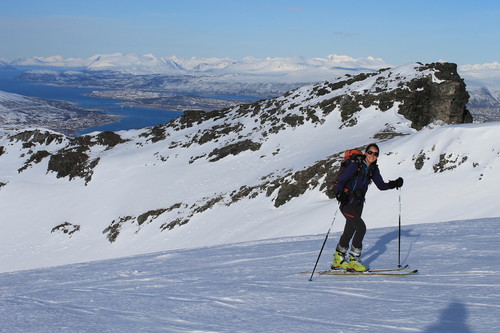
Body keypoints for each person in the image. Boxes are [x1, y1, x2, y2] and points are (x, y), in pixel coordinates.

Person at [332, 143, 403, 271]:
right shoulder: (356, 165)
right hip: (347, 202)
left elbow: (381, 186)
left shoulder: (373, 169)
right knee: (361, 228)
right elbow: (342, 180)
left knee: (350, 231)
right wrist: (339, 193)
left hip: (359, 204)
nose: (372, 156)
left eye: (375, 154)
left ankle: (338, 258)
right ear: (366, 153)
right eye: (370, 152)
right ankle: (354, 259)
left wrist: (394, 184)